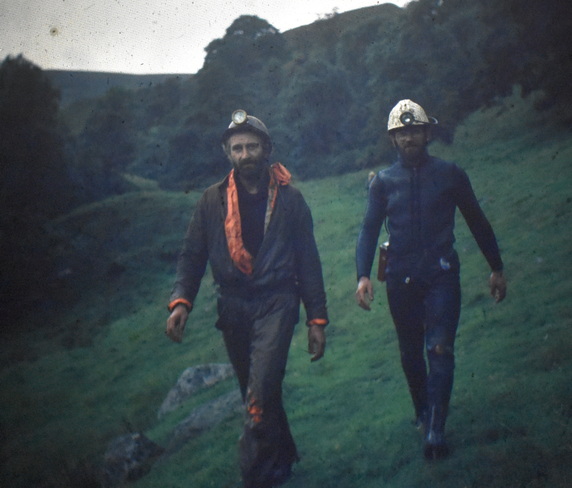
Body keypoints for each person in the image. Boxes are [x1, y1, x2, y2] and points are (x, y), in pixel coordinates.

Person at [166, 110, 328, 487]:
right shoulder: (211, 201)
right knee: (257, 392)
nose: (245, 154)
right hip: (233, 308)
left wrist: (316, 319)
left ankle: (257, 478)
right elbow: (192, 255)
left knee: (258, 397)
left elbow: (309, 261)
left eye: (252, 146)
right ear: (228, 153)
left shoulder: (290, 200)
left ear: (266, 149)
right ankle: (283, 456)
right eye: (237, 148)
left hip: (277, 302)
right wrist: (180, 302)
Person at [355, 99, 507, 460]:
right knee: (410, 353)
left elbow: (477, 220)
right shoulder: (383, 183)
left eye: (415, 130)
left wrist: (496, 267)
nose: (409, 138)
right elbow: (368, 230)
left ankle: (436, 429)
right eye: (402, 132)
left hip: (440, 273)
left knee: (439, 348)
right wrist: (363, 275)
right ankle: (423, 411)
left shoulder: (450, 174)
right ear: (394, 138)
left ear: (427, 133)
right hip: (399, 278)